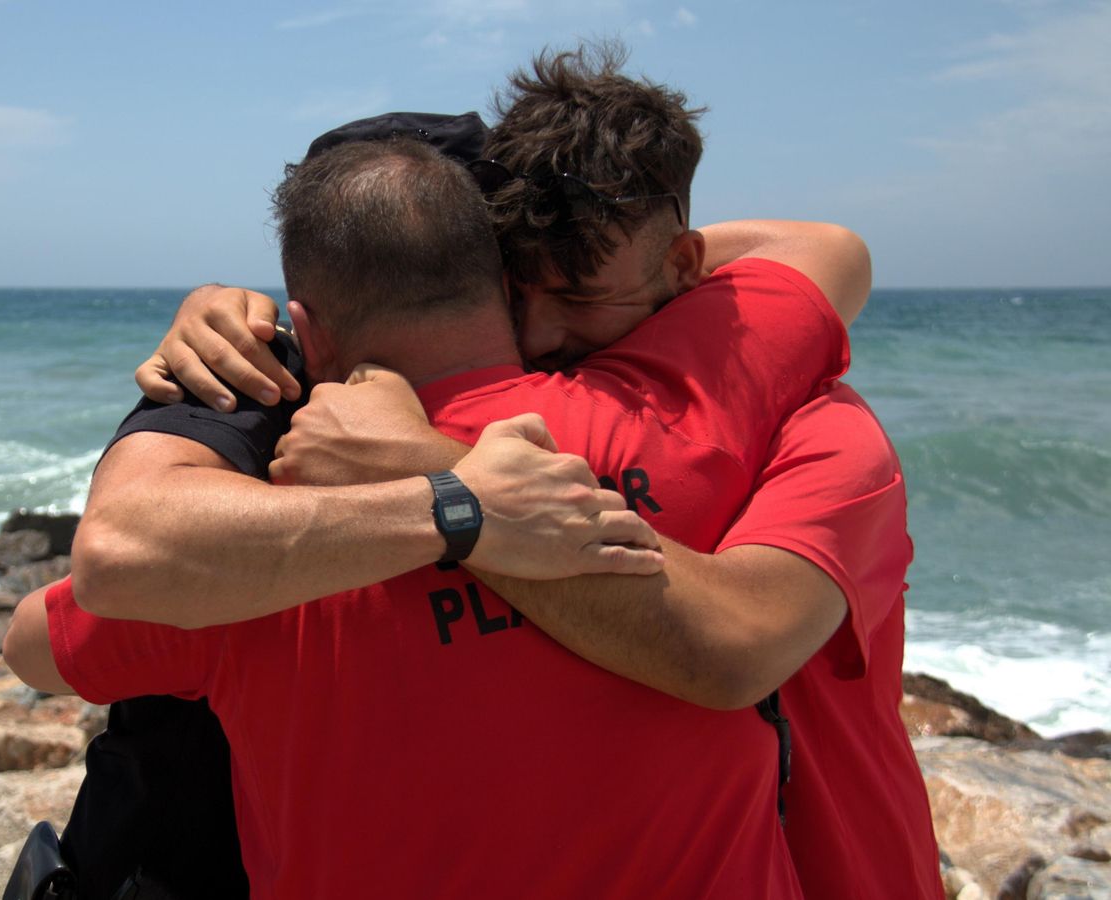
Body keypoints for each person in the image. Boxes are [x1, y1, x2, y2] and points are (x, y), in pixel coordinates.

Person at [134, 46, 941, 900]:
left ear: (685, 267)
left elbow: (737, 649)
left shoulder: (803, 418)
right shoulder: (651, 390)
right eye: (520, 290)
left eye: (583, 297)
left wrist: (437, 472)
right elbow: (824, 249)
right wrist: (235, 313)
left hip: (853, 866)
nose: (544, 332)